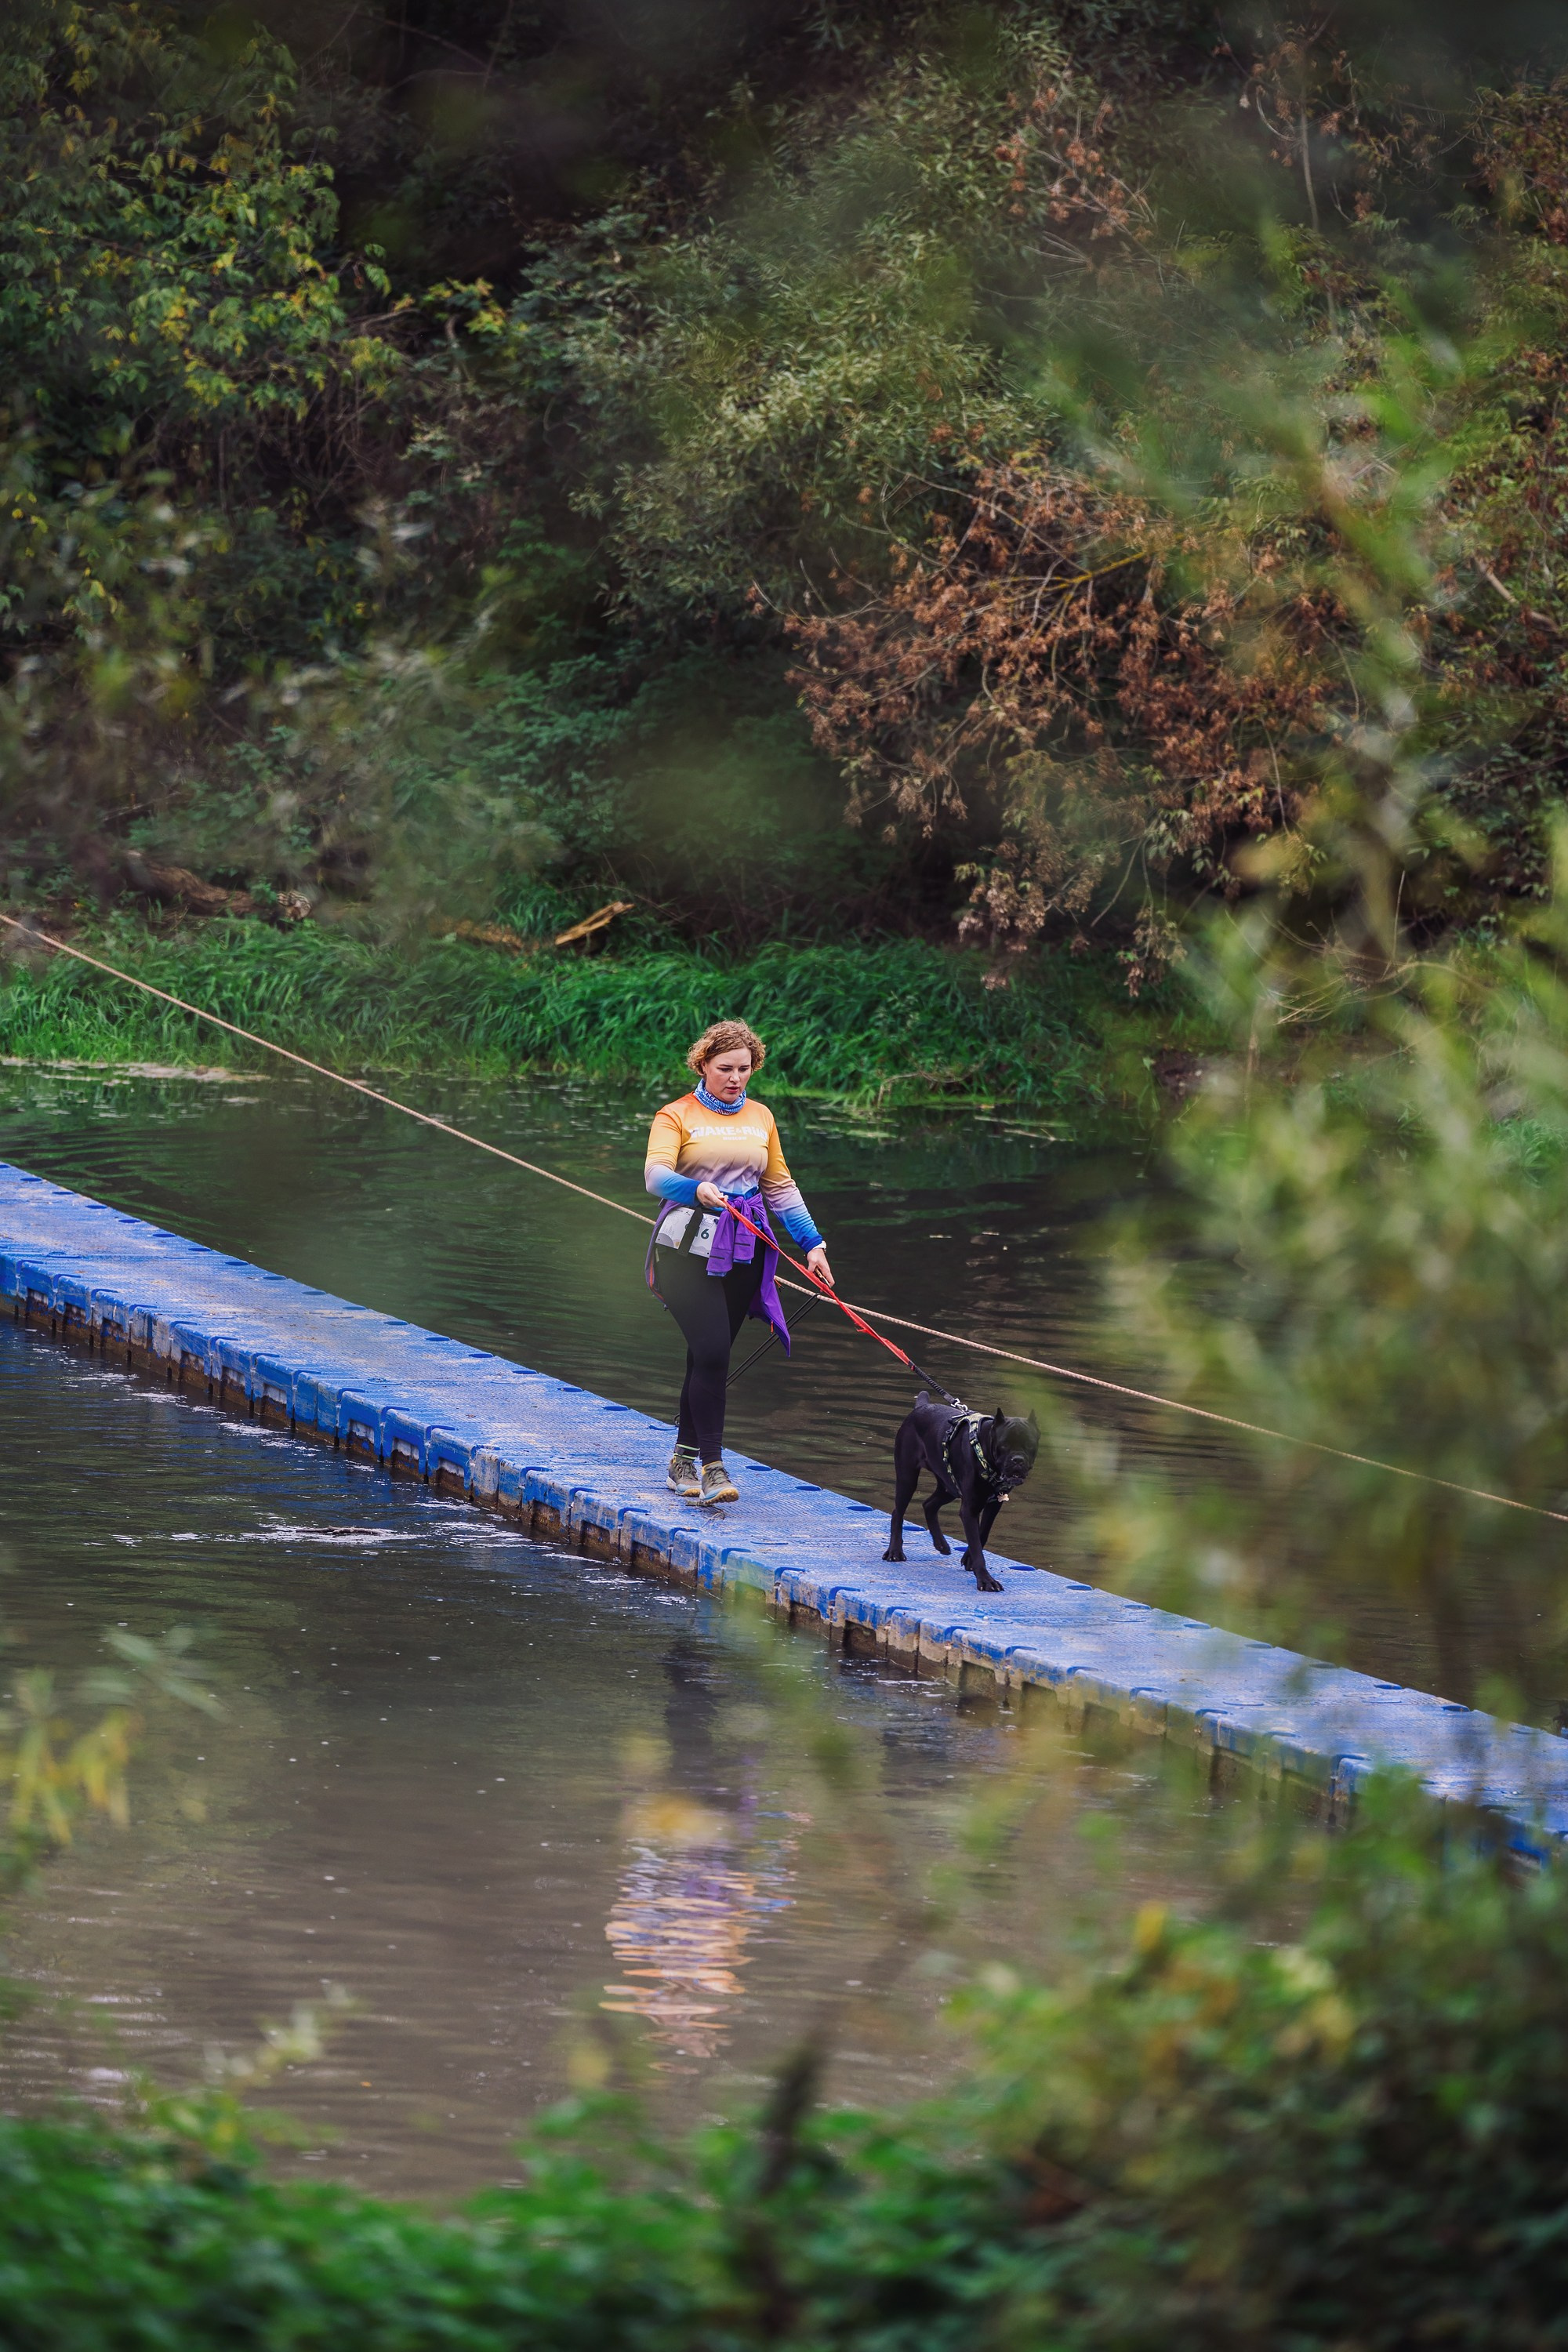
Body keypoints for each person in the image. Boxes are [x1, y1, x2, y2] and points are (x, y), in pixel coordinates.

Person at [644, 1019, 832, 1505]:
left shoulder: (761, 1117)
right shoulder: (675, 1114)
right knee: (712, 1353)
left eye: (744, 1069)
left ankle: (681, 1459)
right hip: (684, 1250)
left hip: (743, 1250)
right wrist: (696, 1189)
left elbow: (780, 1186)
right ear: (703, 1065)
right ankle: (712, 1468)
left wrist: (812, 1244)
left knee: (706, 1356)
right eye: (725, 1068)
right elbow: (655, 1177)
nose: (735, 1078)